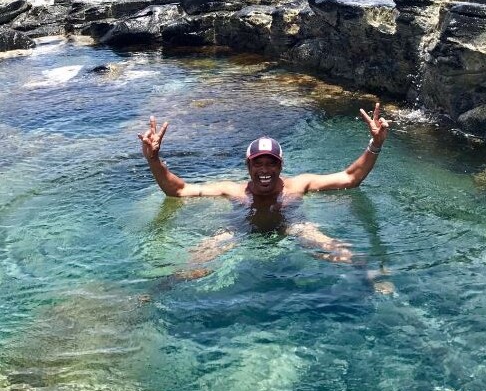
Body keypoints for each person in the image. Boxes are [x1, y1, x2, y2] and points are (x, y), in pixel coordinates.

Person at [138, 103, 392, 289]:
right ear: (248, 167)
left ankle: (374, 279)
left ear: (280, 166)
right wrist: (154, 159)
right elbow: (178, 191)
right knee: (194, 266)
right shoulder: (232, 190)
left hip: (293, 226)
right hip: (238, 230)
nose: (265, 170)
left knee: (340, 253)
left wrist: (375, 144)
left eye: (271, 164)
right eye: (258, 164)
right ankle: (156, 293)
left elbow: (350, 178)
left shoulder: (298, 185)